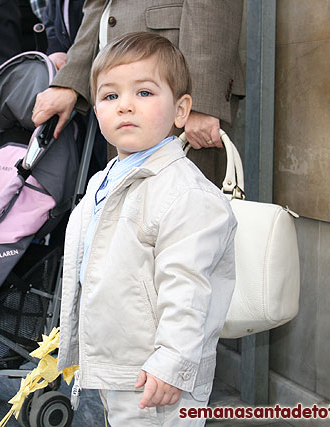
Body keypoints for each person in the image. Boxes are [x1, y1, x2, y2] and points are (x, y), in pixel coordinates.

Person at [57, 32, 237, 426]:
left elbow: (188, 286)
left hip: (159, 375)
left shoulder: (183, 192)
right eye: (110, 96)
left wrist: (172, 361)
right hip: (121, 361)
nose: (124, 106)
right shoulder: (107, 178)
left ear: (181, 110)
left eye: (143, 93)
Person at [32, 0, 244, 186]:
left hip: (176, 78)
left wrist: (201, 103)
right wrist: (70, 81)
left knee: (183, 207)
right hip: (117, 74)